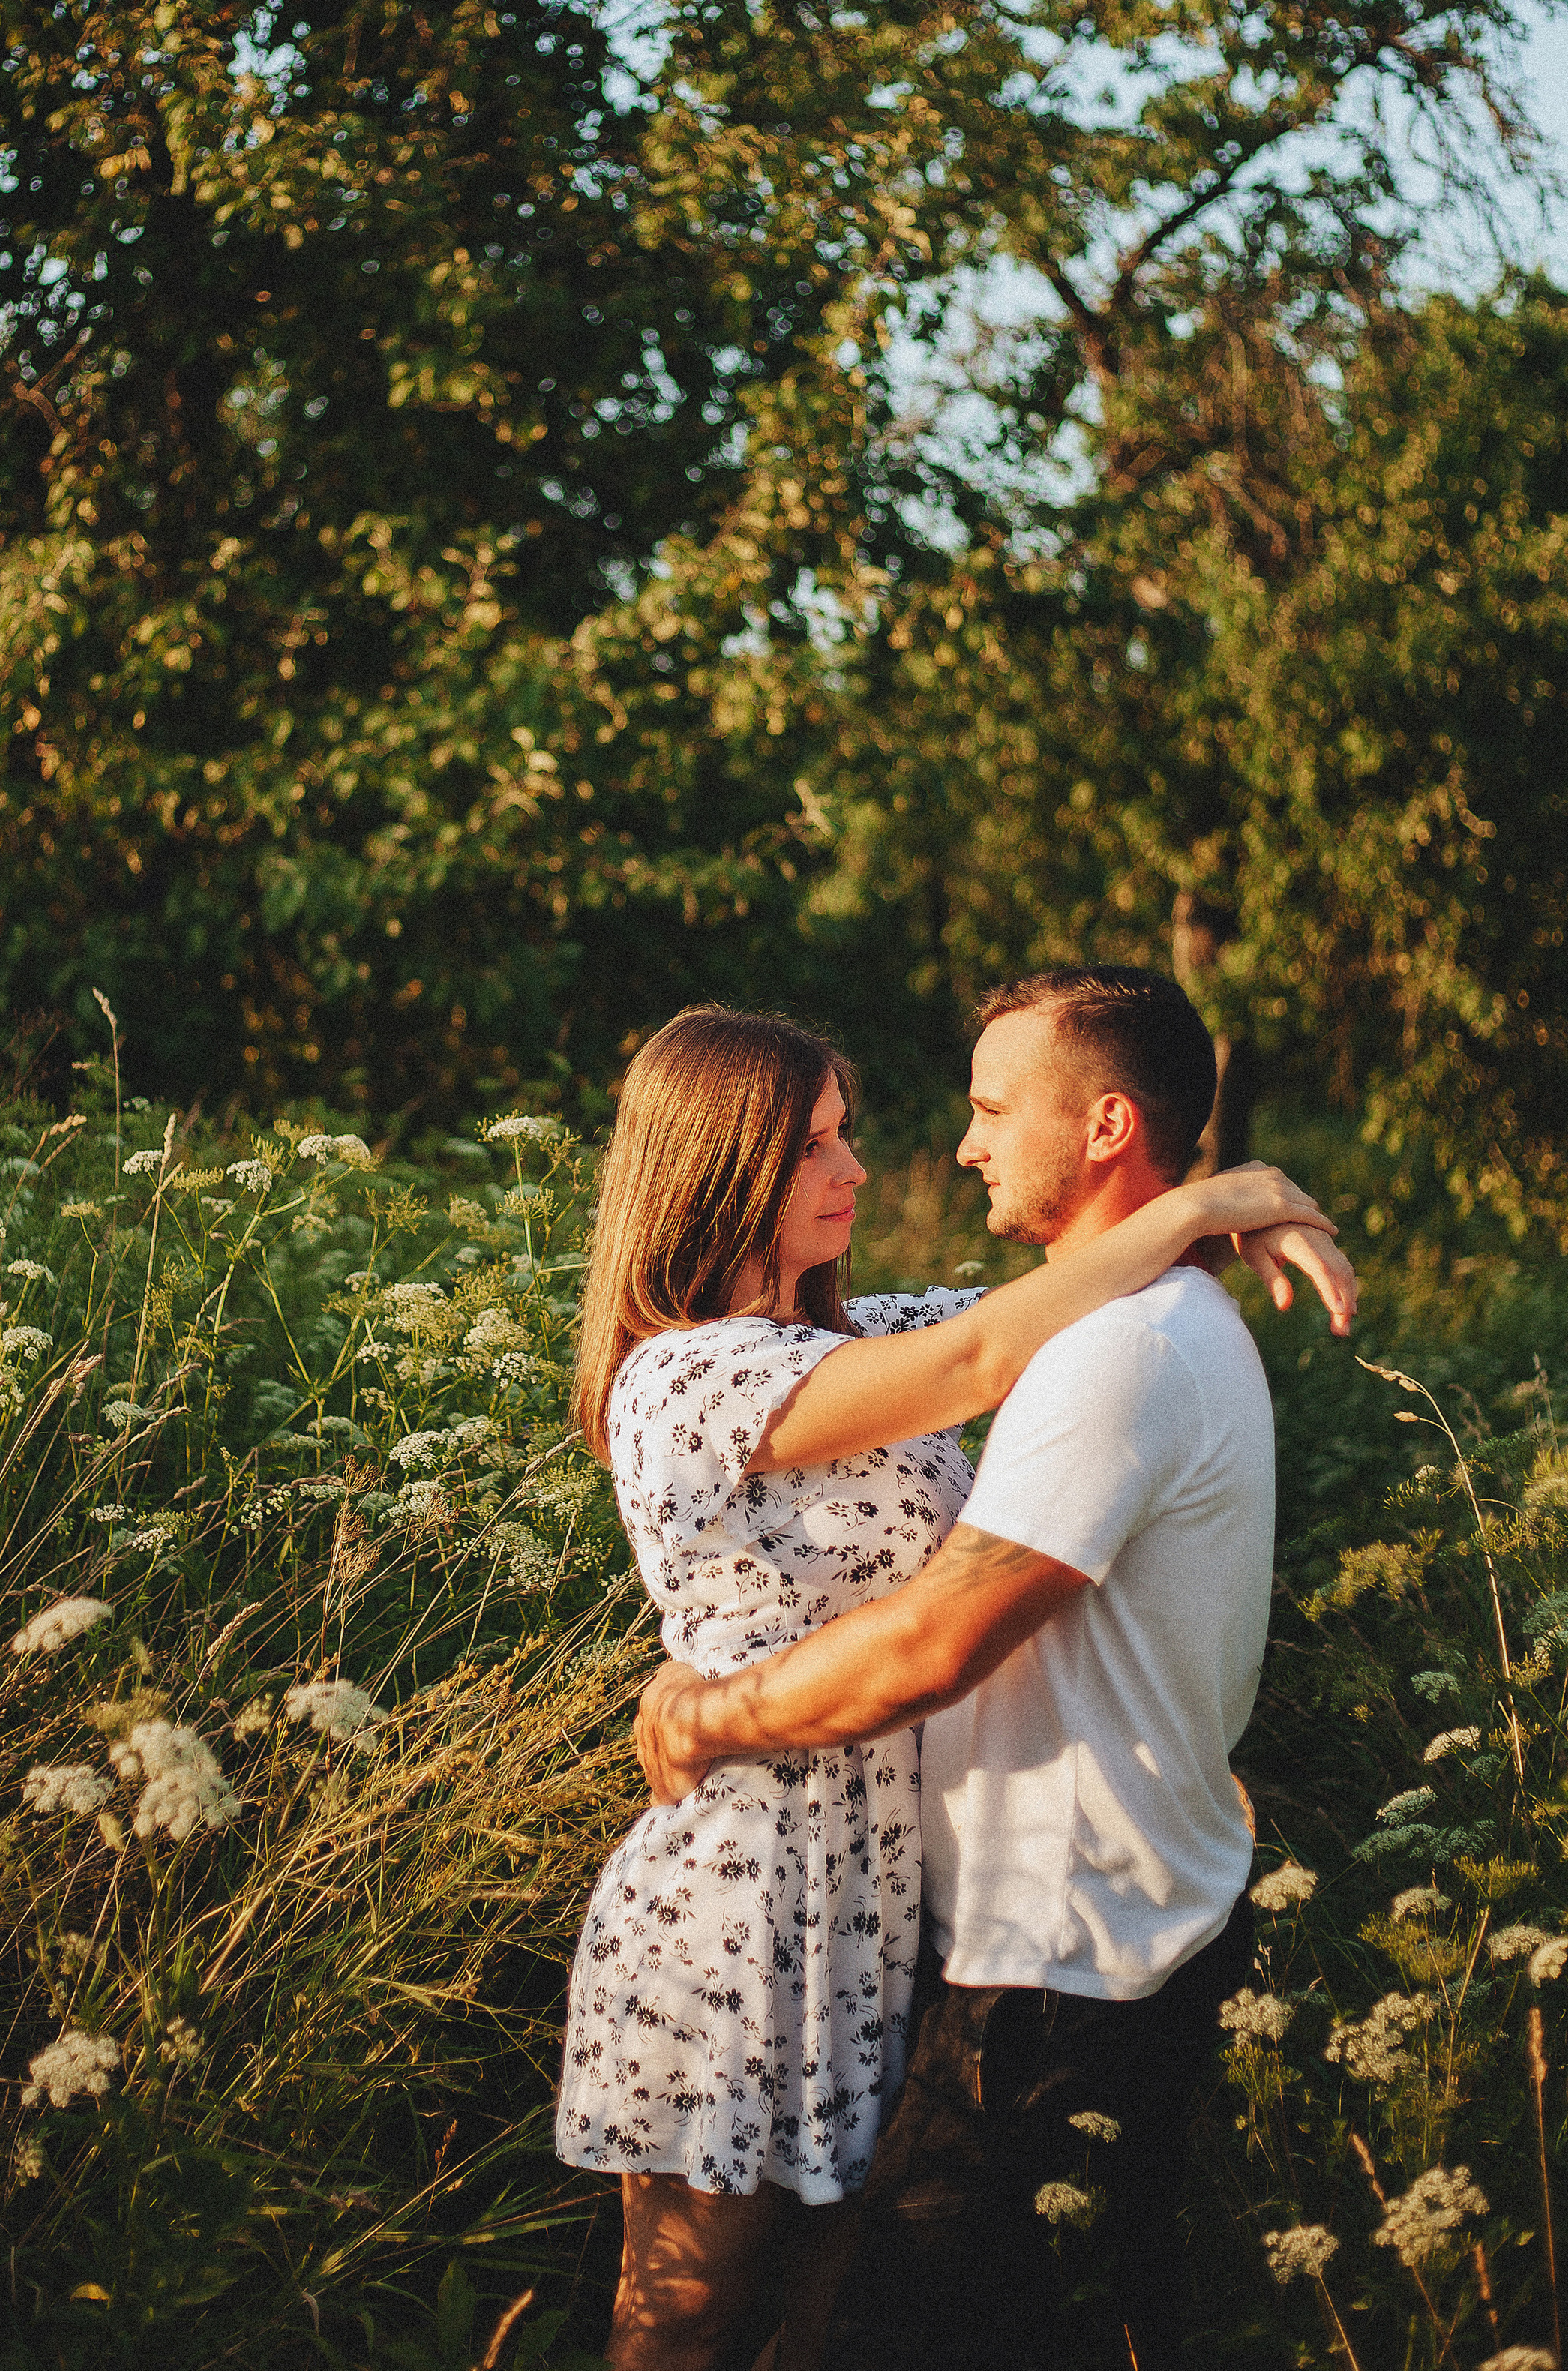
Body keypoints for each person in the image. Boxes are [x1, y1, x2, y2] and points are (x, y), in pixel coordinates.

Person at [558, 999, 1356, 2371]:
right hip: (746, 1890)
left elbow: (1035, 1309)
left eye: (846, 1136)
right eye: (818, 1146)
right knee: (690, 2312)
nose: (860, 1170)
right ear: (720, 1166)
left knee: (830, 2308)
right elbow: (993, 1357)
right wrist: (1210, 1196)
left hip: (880, 1891)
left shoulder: (849, 1338)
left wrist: (1190, 1221)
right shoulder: (687, 1380)